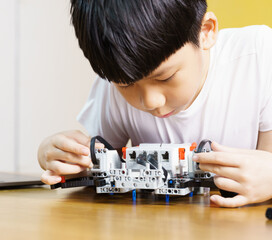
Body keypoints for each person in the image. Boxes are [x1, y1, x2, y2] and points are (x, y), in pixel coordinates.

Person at [38, 0, 272, 207]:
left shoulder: (259, 57)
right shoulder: (115, 76)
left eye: (165, 77)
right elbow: (96, 169)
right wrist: (63, 159)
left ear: (206, 31)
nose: (151, 101)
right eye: (126, 84)